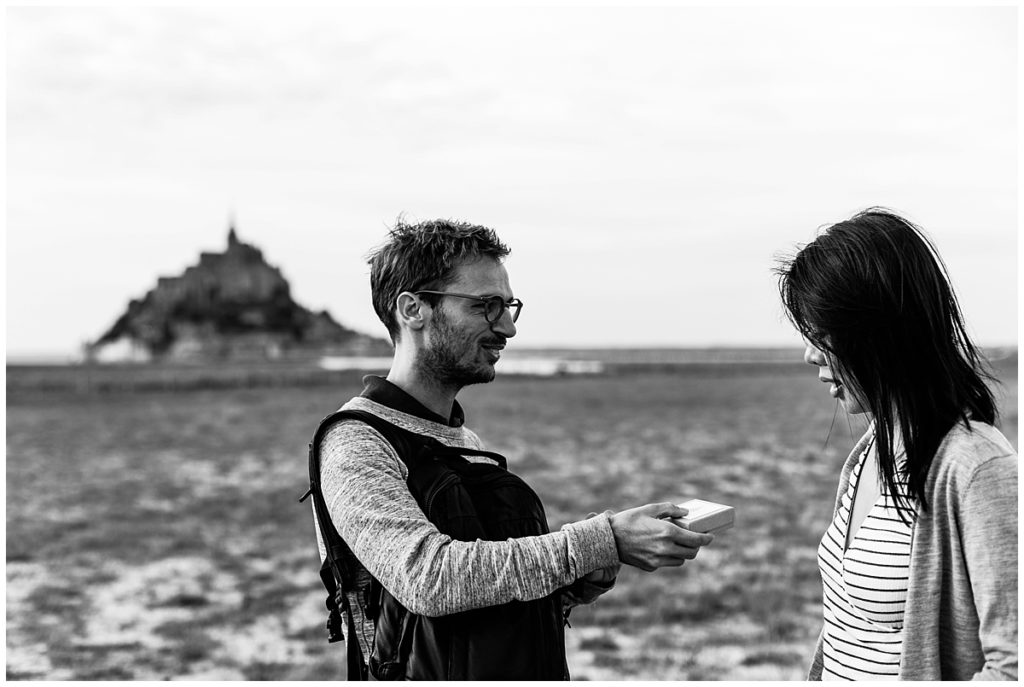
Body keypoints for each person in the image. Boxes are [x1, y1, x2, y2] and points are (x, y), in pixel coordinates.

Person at [309, 218, 713, 680]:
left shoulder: (463, 442)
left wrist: (580, 574)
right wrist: (602, 538)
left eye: (508, 306)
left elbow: (483, 602)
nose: (507, 328)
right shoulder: (356, 442)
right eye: (486, 306)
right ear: (413, 308)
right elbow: (428, 579)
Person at [775, 208, 1017, 680]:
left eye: (823, 335)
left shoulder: (977, 469)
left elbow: (1013, 667)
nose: (810, 354)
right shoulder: (869, 452)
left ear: (881, 336)